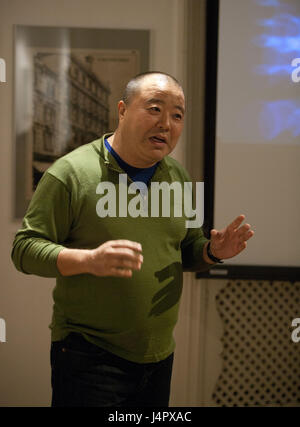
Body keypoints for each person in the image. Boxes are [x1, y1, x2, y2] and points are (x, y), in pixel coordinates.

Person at [11, 71, 254, 407]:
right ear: (122, 110)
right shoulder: (70, 173)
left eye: (178, 115)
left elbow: (185, 251)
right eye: (154, 109)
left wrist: (213, 252)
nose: (166, 123)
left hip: (158, 357)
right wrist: (88, 260)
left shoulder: (181, 178)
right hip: (89, 356)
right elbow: (23, 249)